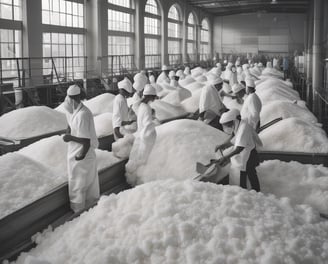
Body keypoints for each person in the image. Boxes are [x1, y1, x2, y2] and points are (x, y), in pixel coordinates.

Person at [62, 84, 99, 213]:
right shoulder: (74, 110)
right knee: (81, 182)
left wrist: (70, 139)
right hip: (76, 152)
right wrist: (68, 131)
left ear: (74, 99)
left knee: (80, 184)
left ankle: (81, 211)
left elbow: (86, 141)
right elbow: (70, 122)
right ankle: (86, 209)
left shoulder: (83, 115)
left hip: (83, 154)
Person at [215, 109, 262, 192]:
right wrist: (223, 144)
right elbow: (233, 135)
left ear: (233, 121)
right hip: (246, 153)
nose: (227, 127)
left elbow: (239, 148)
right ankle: (248, 190)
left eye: (227, 124)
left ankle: (251, 191)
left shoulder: (244, 128)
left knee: (248, 173)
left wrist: (226, 157)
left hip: (249, 155)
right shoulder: (238, 124)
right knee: (248, 173)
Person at [126, 84, 158, 183]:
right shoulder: (146, 108)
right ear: (149, 96)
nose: (153, 99)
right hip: (145, 138)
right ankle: (141, 182)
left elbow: (135, 106)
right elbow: (147, 126)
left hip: (140, 136)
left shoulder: (141, 106)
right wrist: (153, 132)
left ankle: (136, 181)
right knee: (143, 161)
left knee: (138, 159)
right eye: (153, 97)